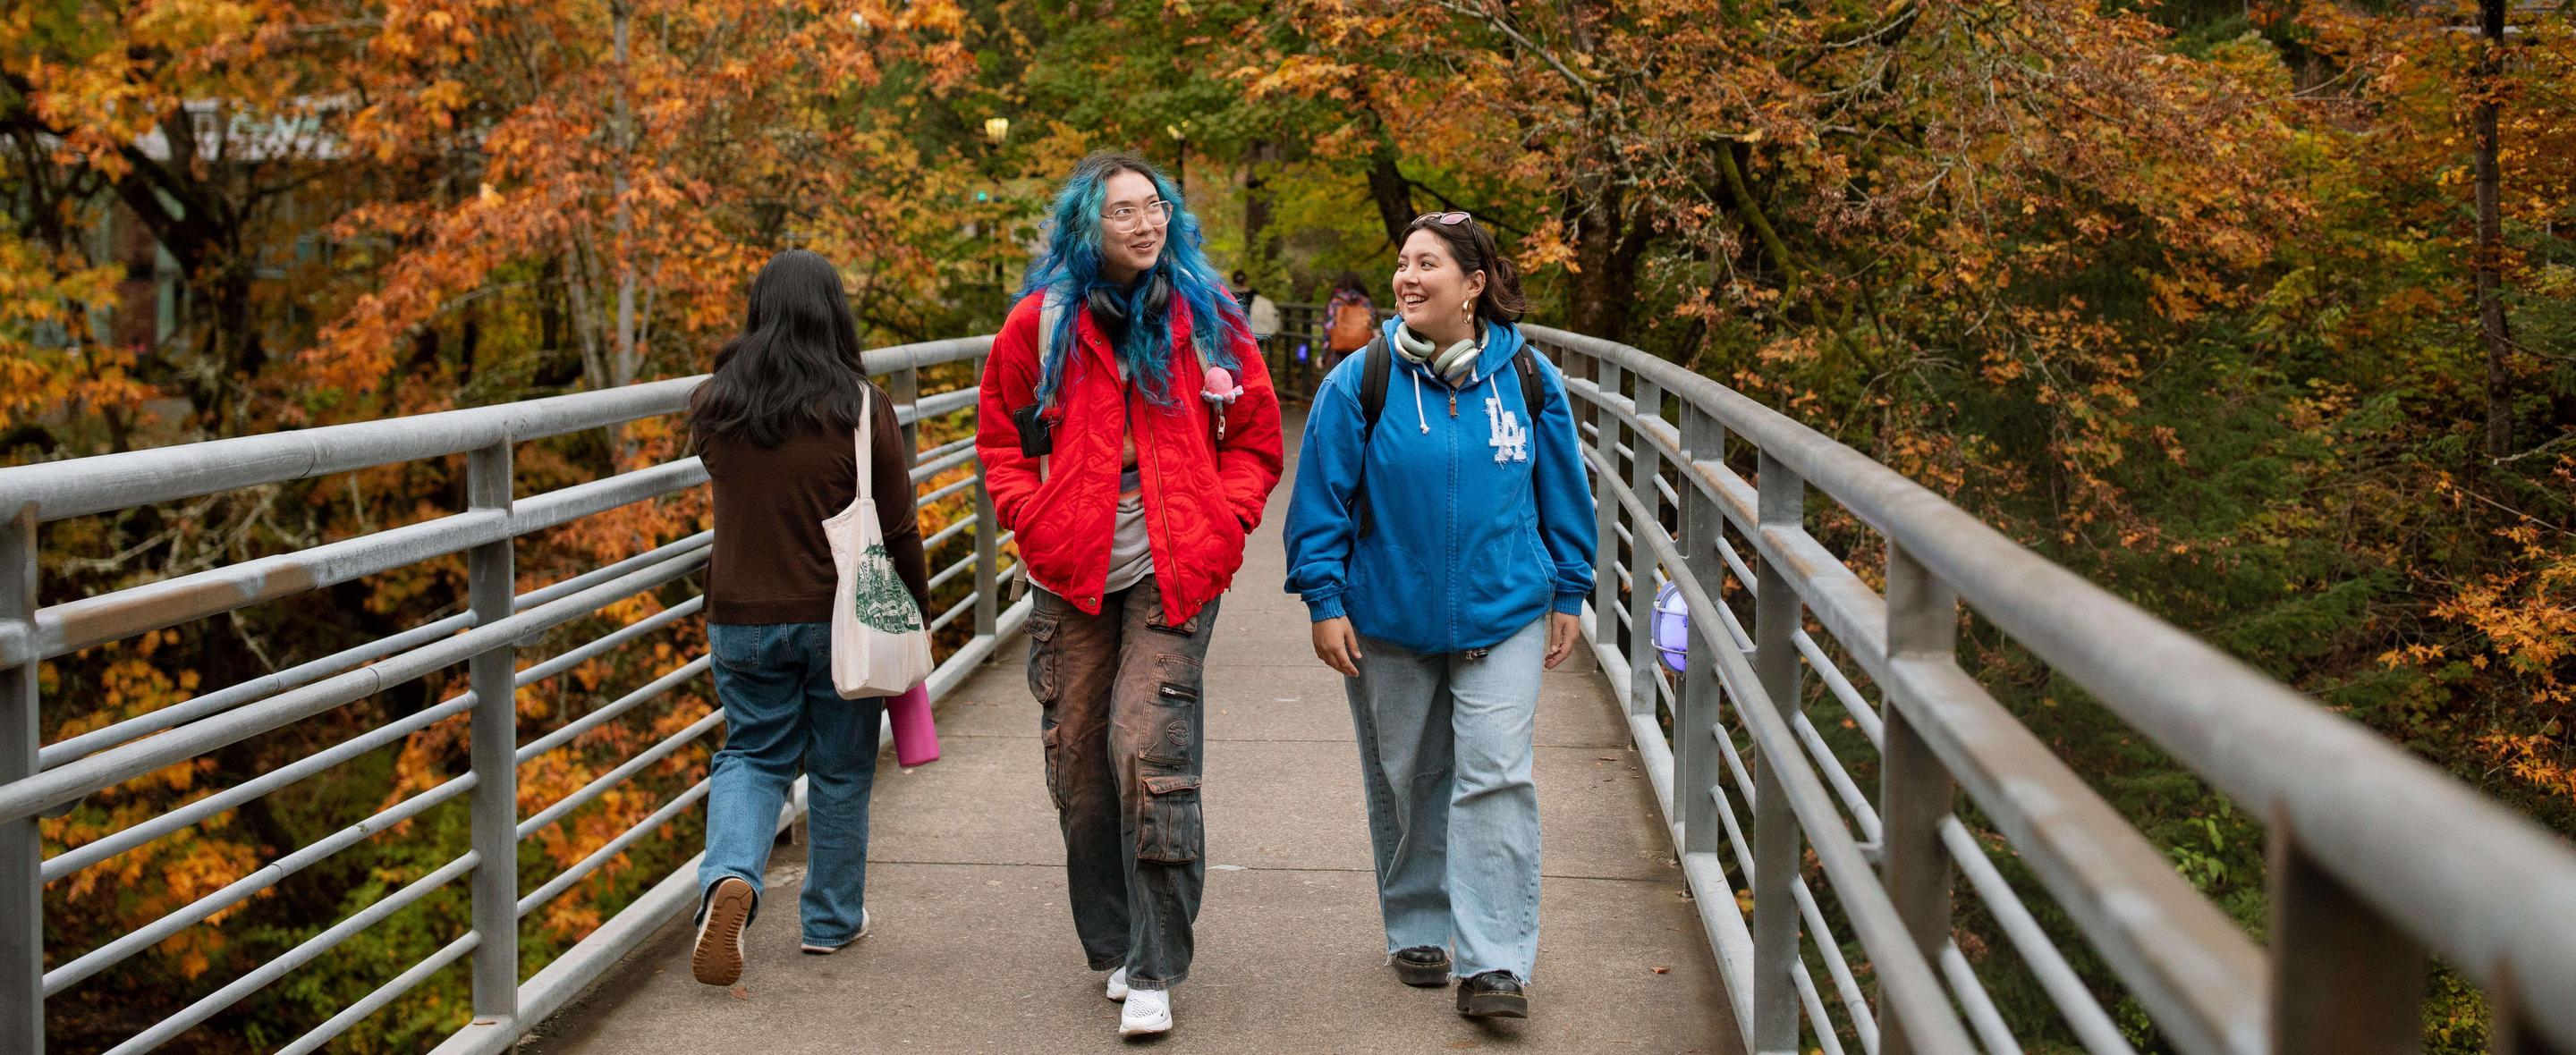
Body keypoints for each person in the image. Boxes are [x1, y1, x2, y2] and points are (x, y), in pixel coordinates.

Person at [974, 150, 1284, 1038]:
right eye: (1123, 212)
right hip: (1068, 567)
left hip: (1175, 559)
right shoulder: (1040, 323)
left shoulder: (1208, 315)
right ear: (1086, 226)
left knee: (1146, 743)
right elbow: (998, 435)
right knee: (1078, 758)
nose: (1145, 223)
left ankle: (1155, 965)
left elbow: (1258, 438)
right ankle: (1111, 944)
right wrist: (1029, 515)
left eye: (1155, 207)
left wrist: (1223, 520)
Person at [1281, 212, 1596, 1020]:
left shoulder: (1527, 379)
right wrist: (1324, 600)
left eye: (1428, 265)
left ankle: (1494, 965)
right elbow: (1320, 500)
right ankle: (1419, 924)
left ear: (1475, 285)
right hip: (1387, 614)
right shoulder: (1362, 380)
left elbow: (1563, 490)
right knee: (1409, 776)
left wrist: (1570, 587)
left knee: (1494, 775)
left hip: (1506, 611)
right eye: (1402, 264)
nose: (1408, 279)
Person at [686, 249, 930, 988]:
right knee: (840, 767)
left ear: (759, 312)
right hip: (841, 621)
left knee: (753, 754)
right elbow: (899, 529)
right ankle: (829, 922)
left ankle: (731, 877)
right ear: (834, 314)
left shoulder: (713, 404)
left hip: (739, 615)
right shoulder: (860, 407)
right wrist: (918, 614)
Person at [1320, 272, 1375, 373]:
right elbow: (1371, 325)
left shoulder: (1336, 302)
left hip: (1338, 355)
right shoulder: (1366, 302)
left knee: (1336, 381)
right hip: (1362, 354)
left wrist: (1322, 355)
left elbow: (1329, 329)